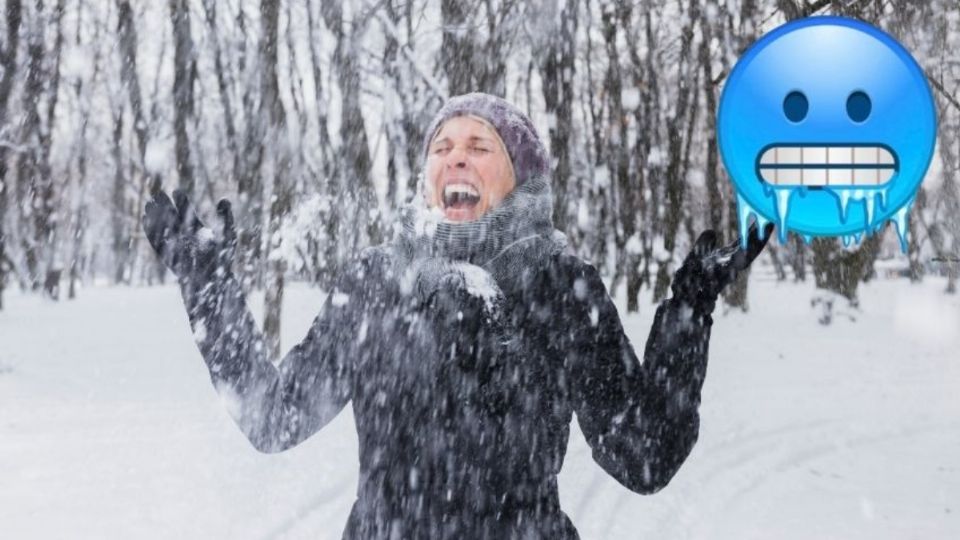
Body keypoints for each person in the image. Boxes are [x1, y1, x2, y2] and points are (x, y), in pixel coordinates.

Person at [143, 92, 770, 539]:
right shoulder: (375, 282)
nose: (455, 158)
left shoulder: (560, 285)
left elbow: (644, 456)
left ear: (519, 176)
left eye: (478, 146)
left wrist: (691, 306)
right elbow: (271, 417)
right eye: (441, 147)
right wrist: (207, 284)